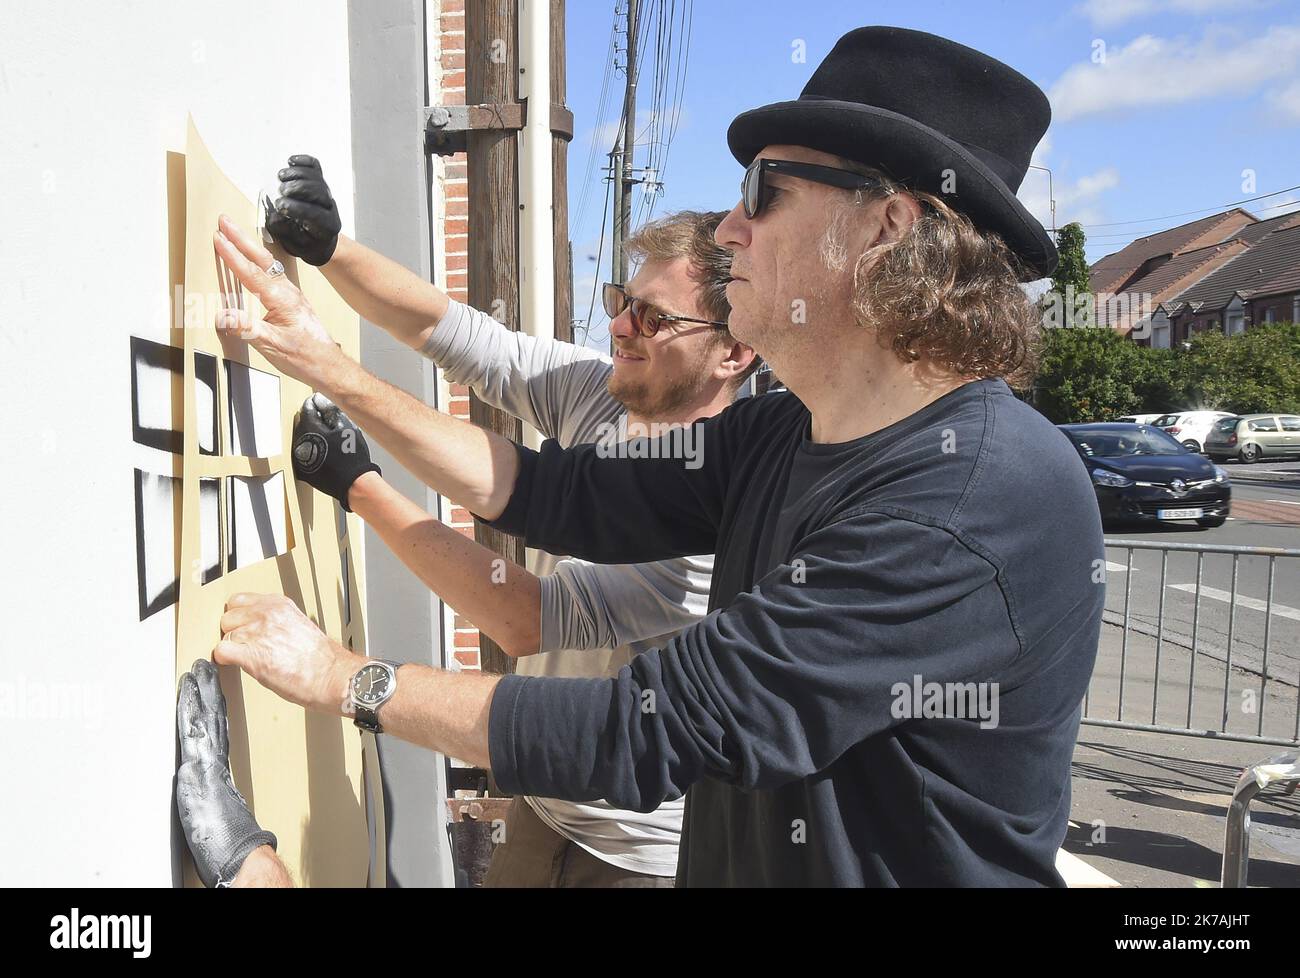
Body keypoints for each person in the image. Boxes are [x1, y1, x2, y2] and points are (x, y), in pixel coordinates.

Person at [207, 26, 1105, 886]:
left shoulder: (975, 498)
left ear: (886, 230)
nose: (730, 229)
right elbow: (555, 492)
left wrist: (339, 675)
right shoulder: (783, 432)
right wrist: (326, 352)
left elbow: (647, 728)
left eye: (764, 191)